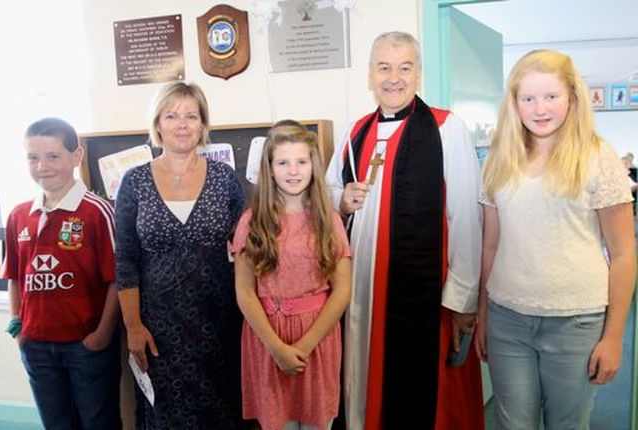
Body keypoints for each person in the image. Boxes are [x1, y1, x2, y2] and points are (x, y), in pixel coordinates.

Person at [325, 31, 484, 429]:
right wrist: (341, 198)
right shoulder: (354, 132)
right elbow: (326, 193)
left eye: (404, 67)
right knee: (361, 380)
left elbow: (465, 215)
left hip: (425, 293)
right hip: (361, 287)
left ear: (418, 74)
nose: (393, 78)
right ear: (369, 75)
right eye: (384, 68)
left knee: (424, 396)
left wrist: (462, 297)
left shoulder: (447, 129)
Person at [475, 49, 637, 429]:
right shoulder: (498, 160)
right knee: (513, 424)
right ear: (514, 103)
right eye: (527, 98)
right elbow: (490, 246)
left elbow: (624, 254)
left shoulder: (599, 158)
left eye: (551, 96)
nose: (539, 108)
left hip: (576, 323)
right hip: (506, 320)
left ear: (572, 98)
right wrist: (483, 314)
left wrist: (613, 338)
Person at [115, 81, 245, 429]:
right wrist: (133, 326)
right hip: (158, 329)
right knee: (165, 417)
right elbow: (125, 259)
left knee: (221, 412)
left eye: (191, 115)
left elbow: (245, 249)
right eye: (171, 116)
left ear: (203, 124)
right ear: (157, 124)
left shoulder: (225, 179)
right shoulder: (135, 181)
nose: (182, 124)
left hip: (219, 323)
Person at [230, 120, 352, 430]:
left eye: (301, 161)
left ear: (313, 165)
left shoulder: (330, 221)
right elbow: (245, 292)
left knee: (315, 423)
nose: (293, 171)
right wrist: (276, 348)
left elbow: (342, 290)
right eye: (283, 162)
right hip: (268, 338)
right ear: (269, 168)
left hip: (317, 339)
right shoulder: (252, 221)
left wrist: (306, 345)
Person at [1, 117, 122, 429]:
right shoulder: (18, 215)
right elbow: (15, 275)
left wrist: (102, 335)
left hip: (86, 346)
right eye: (33, 157)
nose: (42, 166)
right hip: (36, 345)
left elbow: (117, 278)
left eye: (52, 156)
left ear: (76, 156)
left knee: (98, 421)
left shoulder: (97, 212)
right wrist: (19, 326)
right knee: (56, 423)